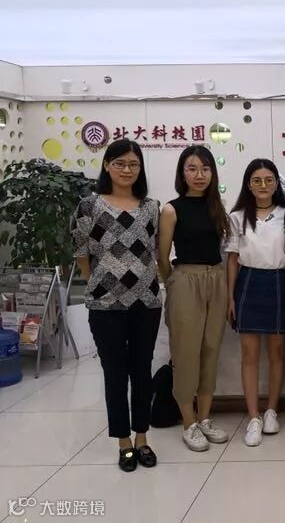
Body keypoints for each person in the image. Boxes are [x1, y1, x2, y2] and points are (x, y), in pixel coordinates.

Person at [71, 139, 162, 472]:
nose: (127, 169)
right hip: (105, 304)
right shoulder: (89, 206)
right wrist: (98, 282)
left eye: (133, 164)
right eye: (120, 163)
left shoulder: (151, 207)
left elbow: (155, 250)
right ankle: (123, 442)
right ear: (107, 165)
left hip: (147, 301)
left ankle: (142, 437)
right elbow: (81, 252)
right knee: (114, 373)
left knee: (142, 371)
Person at [159, 145, 230, 452]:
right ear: (182, 173)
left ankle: (204, 419)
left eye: (205, 169)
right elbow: (162, 257)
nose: (199, 175)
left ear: (212, 172)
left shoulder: (217, 207)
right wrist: (176, 283)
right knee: (186, 353)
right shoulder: (171, 209)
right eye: (192, 169)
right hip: (185, 280)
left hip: (217, 279)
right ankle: (188, 423)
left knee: (211, 349)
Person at [225, 159, 285, 447]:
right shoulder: (237, 217)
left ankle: (271, 411)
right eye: (257, 180)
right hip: (248, 283)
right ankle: (253, 416)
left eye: (269, 180)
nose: (263, 185)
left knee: (277, 352)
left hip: (280, 281)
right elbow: (232, 259)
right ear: (248, 185)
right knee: (249, 355)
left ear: (277, 184)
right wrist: (230, 296)